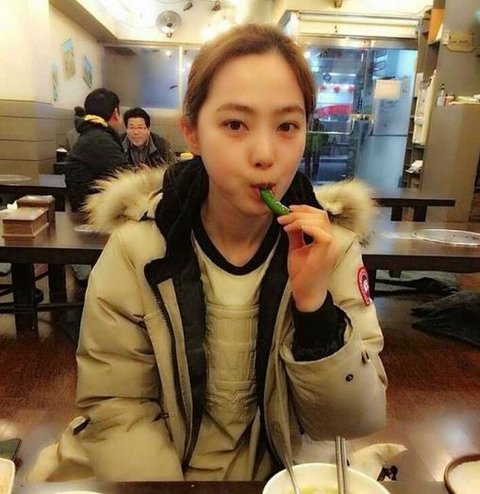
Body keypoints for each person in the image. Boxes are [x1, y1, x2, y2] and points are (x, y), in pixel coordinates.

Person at [29, 24, 387, 482]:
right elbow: (117, 406)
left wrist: (316, 308)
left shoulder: (330, 249)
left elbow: (352, 420)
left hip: (283, 476)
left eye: (287, 126)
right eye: (235, 124)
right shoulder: (138, 248)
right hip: (156, 474)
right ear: (192, 133)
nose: (265, 154)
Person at [64, 88, 127, 213]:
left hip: (87, 208)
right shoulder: (100, 139)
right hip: (93, 214)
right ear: (115, 113)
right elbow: (126, 178)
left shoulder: (92, 133)